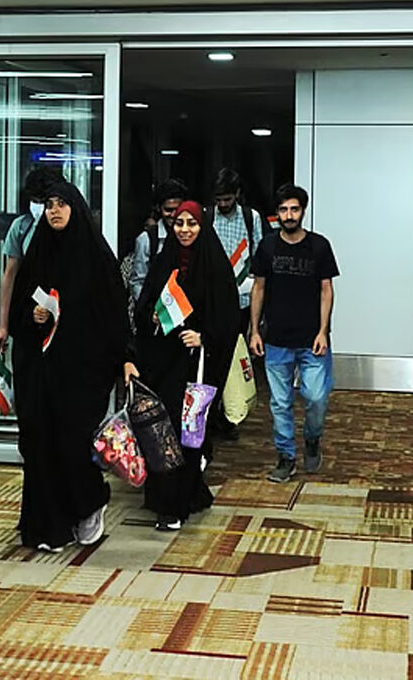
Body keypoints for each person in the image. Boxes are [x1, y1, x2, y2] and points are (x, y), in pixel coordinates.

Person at [8, 181, 137, 552]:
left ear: (76, 208)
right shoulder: (39, 254)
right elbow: (19, 307)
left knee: (73, 445)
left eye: (62, 204)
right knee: (40, 446)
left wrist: (126, 357)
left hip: (83, 373)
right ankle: (49, 527)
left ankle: (90, 503)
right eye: (49, 204)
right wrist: (31, 316)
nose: (55, 211)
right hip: (42, 372)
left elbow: (114, 313)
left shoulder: (95, 258)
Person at [135, 200, 239, 531]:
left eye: (191, 223)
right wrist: (152, 316)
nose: (184, 230)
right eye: (179, 223)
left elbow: (228, 316)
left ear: (202, 226)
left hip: (197, 365)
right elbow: (144, 304)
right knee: (162, 430)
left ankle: (178, 502)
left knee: (188, 434)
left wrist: (204, 336)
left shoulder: (214, 265)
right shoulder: (164, 261)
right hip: (164, 362)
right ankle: (166, 498)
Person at [250, 183, 339, 483]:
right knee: (280, 403)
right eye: (283, 210)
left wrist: (323, 331)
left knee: (316, 398)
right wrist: (254, 331)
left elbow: (327, 290)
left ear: (303, 211)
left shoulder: (319, 246)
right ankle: (285, 457)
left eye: (294, 209)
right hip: (276, 339)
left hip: (313, 340)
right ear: (277, 213)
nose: (289, 215)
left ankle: (312, 438)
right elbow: (258, 289)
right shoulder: (267, 247)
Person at [206, 168, 269, 440]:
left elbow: (260, 258)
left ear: (238, 195)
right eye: (219, 199)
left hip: (243, 301)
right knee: (212, 361)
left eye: (227, 199)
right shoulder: (208, 217)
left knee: (234, 359)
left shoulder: (251, 218)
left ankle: (229, 416)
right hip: (212, 302)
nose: (223, 204)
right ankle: (212, 415)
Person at [0, 166, 65, 355]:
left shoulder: (69, 230)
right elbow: (10, 275)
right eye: (35, 201)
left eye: (44, 202)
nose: (40, 208)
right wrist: (4, 325)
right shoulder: (22, 228)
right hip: (29, 318)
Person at [129, 178, 187, 302]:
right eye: (168, 210)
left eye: (177, 209)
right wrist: (149, 308)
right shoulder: (147, 240)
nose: (173, 215)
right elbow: (138, 282)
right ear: (159, 208)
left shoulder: (189, 235)